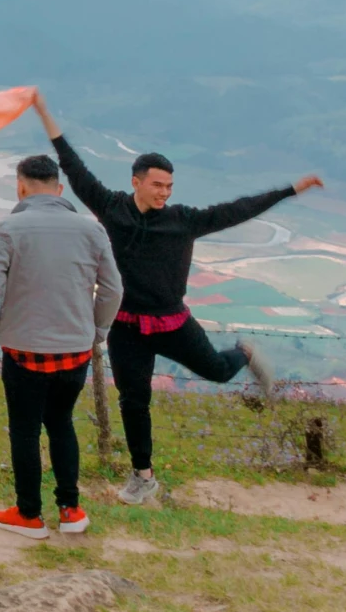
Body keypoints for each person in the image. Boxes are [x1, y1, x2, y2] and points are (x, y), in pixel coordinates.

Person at [32, 93, 324, 505]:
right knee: (134, 402)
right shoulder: (111, 208)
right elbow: (74, 168)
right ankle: (143, 477)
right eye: (157, 185)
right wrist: (45, 115)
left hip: (172, 323)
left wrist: (291, 190)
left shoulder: (183, 220)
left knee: (221, 371)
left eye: (169, 186)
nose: (164, 193)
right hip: (127, 327)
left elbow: (238, 209)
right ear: (136, 182)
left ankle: (245, 351)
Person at [0, 153, 123, 538]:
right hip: (75, 349)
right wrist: (96, 332)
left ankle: (28, 514)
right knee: (61, 424)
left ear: (20, 187)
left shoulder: (7, 227)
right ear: (59, 189)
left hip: (23, 350)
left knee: (24, 431)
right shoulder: (91, 230)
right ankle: (71, 510)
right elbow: (113, 289)